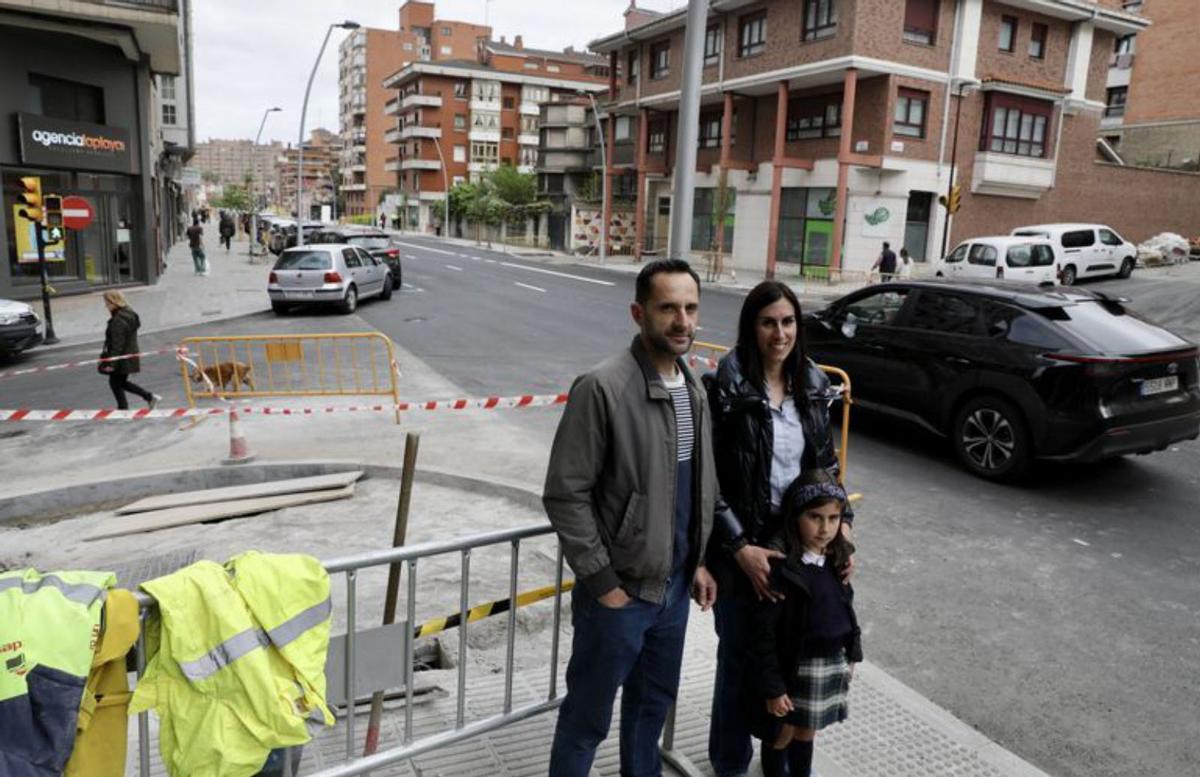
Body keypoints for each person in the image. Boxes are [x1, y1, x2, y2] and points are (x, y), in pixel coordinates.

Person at [544, 259, 720, 777]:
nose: (682, 321)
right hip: (620, 597)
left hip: (675, 592)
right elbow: (564, 493)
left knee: (649, 713)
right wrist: (603, 584)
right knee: (586, 721)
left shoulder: (693, 389)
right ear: (638, 313)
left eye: (690, 308)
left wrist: (702, 561)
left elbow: (694, 487)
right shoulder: (601, 388)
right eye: (668, 308)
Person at [703, 280, 849, 777]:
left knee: (788, 661)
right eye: (768, 322)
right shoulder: (728, 386)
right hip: (742, 545)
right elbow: (711, 481)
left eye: (788, 322)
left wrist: (840, 531)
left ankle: (779, 756)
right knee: (739, 659)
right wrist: (740, 547)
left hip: (794, 547)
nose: (779, 333)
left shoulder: (810, 382)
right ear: (751, 327)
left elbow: (826, 468)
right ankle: (729, 763)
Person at [747, 469, 862, 777]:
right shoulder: (782, 569)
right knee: (782, 732)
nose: (825, 528)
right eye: (815, 517)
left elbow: (846, 611)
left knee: (808, 731)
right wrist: (773, 687)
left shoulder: (838, 561)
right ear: (795, 516)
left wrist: (853, 652)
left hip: (828, 663)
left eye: (834, 518)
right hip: (793, 666)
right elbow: (764, 634)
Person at [100, 290, 160, 411]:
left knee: (116, 383)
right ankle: (145, 398)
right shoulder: (128, 313)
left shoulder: (118, 320)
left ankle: (130, 405)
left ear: (113, 302)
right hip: (128, 355)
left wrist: (112, 363)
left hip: (122, 357)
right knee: (119, 383)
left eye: (106, 302)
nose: (105, 306)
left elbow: (118, 344)